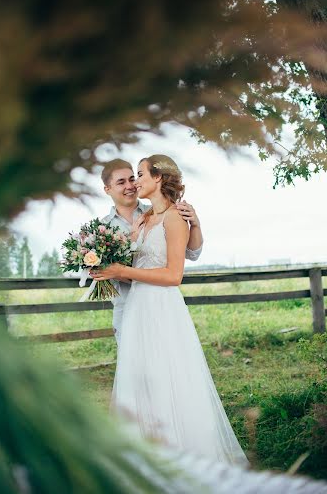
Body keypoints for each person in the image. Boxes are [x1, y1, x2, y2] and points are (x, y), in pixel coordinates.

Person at [92, 155, 247, 465]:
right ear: (107, 188)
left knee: (167, 378)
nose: (135, 182)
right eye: (128, 178)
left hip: (162, 309)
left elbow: (175, 275)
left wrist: (124, 270)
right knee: (138, 381)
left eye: (139, 174)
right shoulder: (143, 219)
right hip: (134, 308)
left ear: (158, 178)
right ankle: (144, 456)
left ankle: (179, 455)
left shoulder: (175, 217)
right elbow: (133, 260)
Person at [101, 158, 203, 345]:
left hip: (159, 303)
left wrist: (195, 224)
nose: (132, 185)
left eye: (135, 177)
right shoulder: (103, 228)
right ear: (107, 189)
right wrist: (130, 240)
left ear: (157, 177)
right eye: (121, 182)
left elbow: (190, 256)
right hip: (127, 306)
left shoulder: (163, 213)